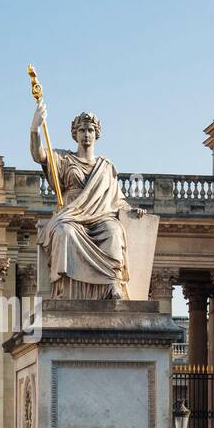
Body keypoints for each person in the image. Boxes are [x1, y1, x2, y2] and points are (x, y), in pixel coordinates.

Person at [30, 103, 145, 299]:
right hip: (72, 216)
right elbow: (39, 155)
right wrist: (35, 128)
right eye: (82, 130)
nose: (86, 134)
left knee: (114, 231)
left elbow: (117, 200)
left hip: (100, 216)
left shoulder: (105, 167)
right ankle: (65, 290)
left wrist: (131, 211)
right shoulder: (64, 159)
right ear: (75, 134)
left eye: (90, 130)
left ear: (96, 133)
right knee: (63, 231)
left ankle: (112, 284)